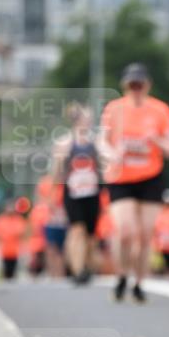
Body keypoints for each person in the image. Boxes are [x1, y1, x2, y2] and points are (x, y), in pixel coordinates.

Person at [99, 64, 169, 303]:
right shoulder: (115, 109)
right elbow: (101, 142)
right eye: (131, 85)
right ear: (125, 86)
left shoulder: (160, 110)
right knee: (125, 232)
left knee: (144, 235)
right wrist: (112, 154)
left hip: (150, 177)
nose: (135, 89)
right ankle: (122, 274)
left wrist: (156, 140)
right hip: (121, 178)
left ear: (147, 85)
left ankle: (140, 282)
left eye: (139, 84)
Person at [51, 103, 102, 284]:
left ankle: (86, 266)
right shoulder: (64, 142)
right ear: (76, 120)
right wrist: (60, 160)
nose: (88, 122)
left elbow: (103, 168)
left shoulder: (95, 141)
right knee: (76, 230)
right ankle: (77, 269)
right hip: (72, 192)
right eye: (85, 119)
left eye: (89, 119)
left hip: (92, 192)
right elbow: (56, 176)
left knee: (90, 235)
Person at [0, 200, 27, 280]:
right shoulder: (0, 220)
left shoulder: (18, 219)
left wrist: (10, 234)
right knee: (5, 271)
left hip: (15, 250)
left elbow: (20, 232)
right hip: (4, 250)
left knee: (13, 271)